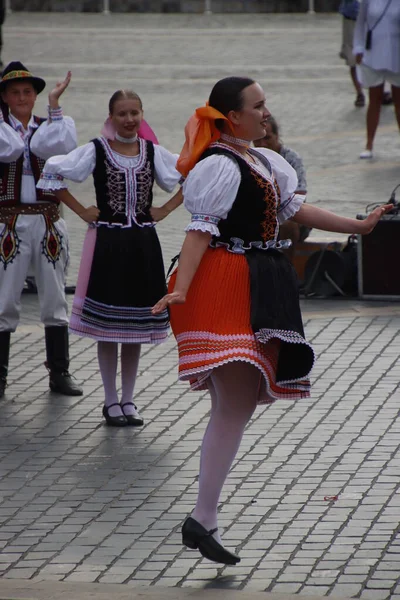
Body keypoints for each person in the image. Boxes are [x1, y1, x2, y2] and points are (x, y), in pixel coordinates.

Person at [152, 76, 391, 565]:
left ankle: (204, 517)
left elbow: (296, 208)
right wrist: (179, 287)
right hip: (223, 282)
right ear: (232, 117)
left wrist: (359, 225)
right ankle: (202, 517)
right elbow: (199, 231)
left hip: (257, 281)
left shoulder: (260, 160)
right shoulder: (219, 164)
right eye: (258, 107)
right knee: (235, 403)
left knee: (235, 402)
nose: (266, 113)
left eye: (265, 105)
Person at [38, 89, 182, 427]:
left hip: (143, 244)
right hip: (108, 242)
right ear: (111, 117)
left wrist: (165, 208)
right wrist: (81, 210)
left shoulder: (151, 152)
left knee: (133, 326)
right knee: (109, 329)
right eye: (122, 114)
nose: (130, 120)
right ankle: (109, 400)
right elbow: (53, 173)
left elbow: (190, 173)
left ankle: (129, 399)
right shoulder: (97, 151)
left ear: (142, 114)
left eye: (135, 113)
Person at [0, 61, 82, 399]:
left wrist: (54, 106)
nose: (22, 97)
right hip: (9, 221)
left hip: (48, 219)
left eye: (28, 92)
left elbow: (61, 148)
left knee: (54, 296)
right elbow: (12, 149)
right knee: (4, 298)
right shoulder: (4, 128)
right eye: (15, 92)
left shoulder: (54, 125)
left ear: (36, 96)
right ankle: (1, 375)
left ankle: (59, 372)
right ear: (4, 96)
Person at [254, 115, 310, 253]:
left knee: (287, 224)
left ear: (277, 136)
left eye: (267, 138)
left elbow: (299, 194)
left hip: (289, 213)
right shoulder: (251, 157)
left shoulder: (292, 158)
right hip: (261, 213)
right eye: (257, 139)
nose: (262, 144)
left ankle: (286, 267)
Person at [353, 0, 400, 159]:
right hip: (373, 52)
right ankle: (369, 144)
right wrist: (358, 47)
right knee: (375, 99)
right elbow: (360, 23)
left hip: (396, 54)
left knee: (399, 101)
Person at [339, 0, 365, 107]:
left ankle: (380, 91)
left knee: (375, 56)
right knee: (352, 58)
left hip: (371, 18)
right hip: (351, 15)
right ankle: (359, 93)